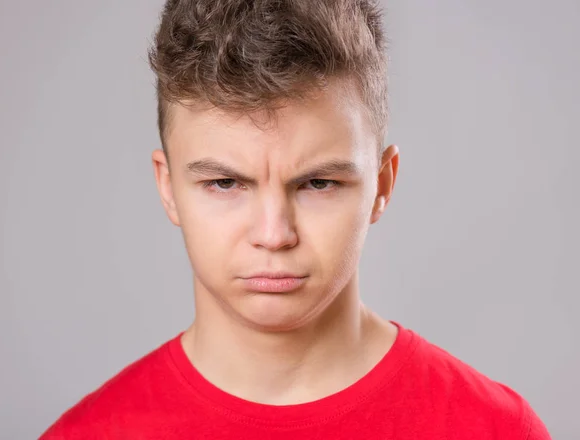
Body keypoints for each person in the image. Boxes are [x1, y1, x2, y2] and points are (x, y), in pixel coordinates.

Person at [39, 0, 551, 438]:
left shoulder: (495, 430)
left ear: (383, 185)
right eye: (225, 183)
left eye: (318, 183)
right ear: (168, 187)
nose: (274, 235)